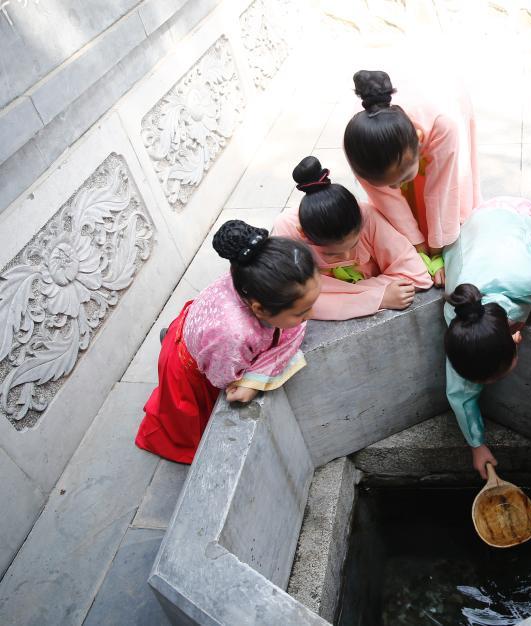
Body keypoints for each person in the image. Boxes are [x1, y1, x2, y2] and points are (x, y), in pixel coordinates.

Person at [135, 221, 320, 463]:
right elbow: (224, 379)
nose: (311, 316)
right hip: (194, 369)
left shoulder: (251, 278)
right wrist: (251, 383)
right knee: (189, 429)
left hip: (199, 331)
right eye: (302, 312)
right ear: (260, 309)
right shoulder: (233, 335)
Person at [443, 197, 531, 477]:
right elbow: (460, 390)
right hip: (474, 234)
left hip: (504, 212)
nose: (484, 386)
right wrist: (476, 445)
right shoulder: (460, 317)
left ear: (515, 339)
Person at [343, 69, 481, 284]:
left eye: (401, 179)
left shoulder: (443, 126)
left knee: (443, 197)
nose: (395, 187)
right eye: (388, 184)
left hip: (443, 99)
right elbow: (387, 200)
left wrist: (437, 253)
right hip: (392, 143)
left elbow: (441, 194)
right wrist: (415, 247)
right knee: (400, 199)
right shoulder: (359, 144)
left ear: (418, 141)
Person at [272, 156, 433, 320]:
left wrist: (336, 293)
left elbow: (417, 274)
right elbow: (294, 299)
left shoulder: (366, 215)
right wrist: (378, 297)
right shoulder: (287, 231)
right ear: (304, 234)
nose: (347, 256)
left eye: (354, 245)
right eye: (333, 254)